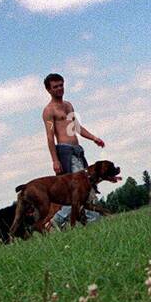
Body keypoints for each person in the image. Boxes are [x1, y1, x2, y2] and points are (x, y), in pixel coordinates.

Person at [42, 72, 105, 228]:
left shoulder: (68, 105)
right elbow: (50, 137)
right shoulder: (49, 111)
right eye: (55, 86)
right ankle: (91, 222)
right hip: (64, 152)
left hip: (77, 150)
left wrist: (94, 138)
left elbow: (76, 127)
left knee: (82, 189)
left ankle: (57, 223)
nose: (59, 89)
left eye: (61, 85)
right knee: (83, 188)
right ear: (48, 90)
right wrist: (55, 159)